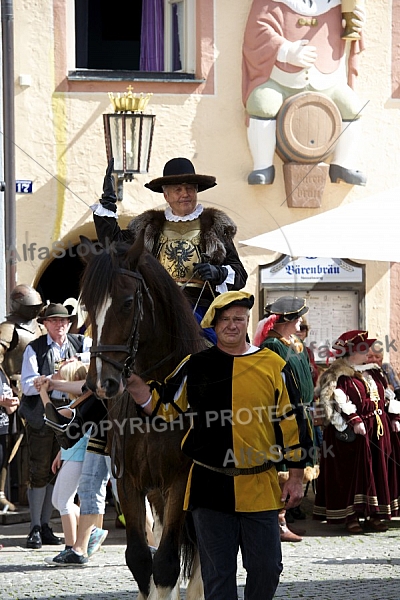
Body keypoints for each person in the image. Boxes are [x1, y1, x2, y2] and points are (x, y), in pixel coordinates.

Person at [126, 291, 306, 600]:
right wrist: (133, 384)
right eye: (225, 320)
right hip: (210, 489)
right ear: (214, 324)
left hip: (260, 485)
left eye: (239, 319)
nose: (232, 325)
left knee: (267, 566)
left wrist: (296, 476)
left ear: (247, 322)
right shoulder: (195, 365)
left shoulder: (274, 365)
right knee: (217, 576)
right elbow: (165, 406)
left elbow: (293, 422)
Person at [92, 157, 248, 343]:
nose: (185, 194)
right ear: (166, 196)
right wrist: (108, 204)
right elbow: (115, 245)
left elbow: (240, 275)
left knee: (221, 349)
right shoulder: (149, 226)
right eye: (178, 189)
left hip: (200, 308)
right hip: (158, 307)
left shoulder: (214, 225)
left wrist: (218, 272)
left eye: (190, 188)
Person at [242, 0, 367, 185]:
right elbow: (257, 32)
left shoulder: (338, 3)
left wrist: (358, 23)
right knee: (262, 104)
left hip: (328, 79)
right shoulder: (270, 2)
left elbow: (351, 33)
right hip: (281, 79)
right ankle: (263, 166)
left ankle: (342, 164)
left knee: (352, 108)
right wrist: (286, 51)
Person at [313, 330, 400, 533]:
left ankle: (374, 514)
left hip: (377, 430)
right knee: (351, 475)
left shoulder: (375, 371)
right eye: (364, 348)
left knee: (377, 472)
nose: (368, 351)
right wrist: (352, 421)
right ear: (353, 351)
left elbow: (387, 396)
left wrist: (394, 417)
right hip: (350, 435)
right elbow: (330, 404)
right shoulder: (337, 375)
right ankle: (350, 516)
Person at [20, 303, 92, 549]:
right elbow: (28, 385)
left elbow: (96, 361)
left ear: (70, 323)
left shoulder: (82, 343)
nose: (60, 325)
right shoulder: (34, 347)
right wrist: (58, 379)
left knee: (59, 473)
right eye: (54, 321)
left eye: (64, 321)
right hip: (43, 416)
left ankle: (49, 526)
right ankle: (35, 528)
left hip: (74, 414)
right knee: (39, 471)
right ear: (45, 324)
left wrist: (51, 378)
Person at [256, 297, 314, 542]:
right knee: (282, 467)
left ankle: (283, 519)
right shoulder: (273, 346)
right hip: (286, 413)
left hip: (302, 411)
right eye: (297, 316)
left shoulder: (294, 344)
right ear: (288, 319)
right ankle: (278, 522)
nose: (301, 320)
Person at [0, 284, 45, 511]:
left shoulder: (38, 328)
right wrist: (3, 391)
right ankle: (1, 494)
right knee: (8, 445)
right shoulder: (9, 328)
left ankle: (31, 493)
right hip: (13, 394)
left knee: (33, 443)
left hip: (36, 393)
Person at [0, 375, 20, 513]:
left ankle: (0, 495)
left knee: (2, 459)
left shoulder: (2, 371)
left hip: (2, 422)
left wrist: (13, 401)